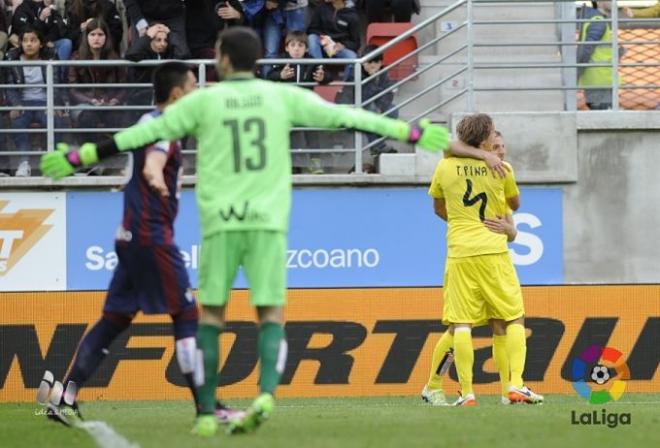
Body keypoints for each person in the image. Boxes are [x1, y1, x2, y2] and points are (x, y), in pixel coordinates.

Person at [40, 26, 450, 436]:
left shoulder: (203, 103)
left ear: (221, 58)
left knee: (190, 316)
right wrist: (409, 132)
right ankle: (245, 398)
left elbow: (142, 136)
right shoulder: (279, 95)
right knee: (249, 312)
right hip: (253, 223)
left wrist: (83, 154)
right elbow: (347, 116)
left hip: (206, 224)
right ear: (257, 59)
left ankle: (122, 400)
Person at [40, 61, 243, 426]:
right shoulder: (165, 126)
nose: (199, 92)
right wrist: (155, 178)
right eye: (194, 85)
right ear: (178, 94)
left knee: (113, 319)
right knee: (186, 315)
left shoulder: (146, 122)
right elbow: (154, 161)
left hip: (130, 236)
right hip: (151, 236)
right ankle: (208, 407)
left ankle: (63, 397)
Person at [426, 114, 543, 406]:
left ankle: (469, 392)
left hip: (460, 251)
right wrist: (506, 227)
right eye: (494, 138)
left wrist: (463, 223)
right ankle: (513, 385)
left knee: (462, 325)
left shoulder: (444, 165)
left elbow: (439, 208)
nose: (499, 146)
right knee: (511, 318)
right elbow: (514, 203)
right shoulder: (502, 169)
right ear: (484, 140)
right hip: (493, 253)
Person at [267, 30, 331, 173]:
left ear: (306, 48)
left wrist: (323, 77)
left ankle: (316, 162)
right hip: (285, 107)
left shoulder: (312, 61)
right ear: (286, 48)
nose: (296, 49)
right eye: (293, 45)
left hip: (305, 107)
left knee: (311, 132)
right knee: (283, 134)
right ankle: (286, 164)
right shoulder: (281, 61)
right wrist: (280, 75)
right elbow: (269, 76)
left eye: (300, 46)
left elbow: (327, 75)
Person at [5, 26, 64, 177]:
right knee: (17, 123)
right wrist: (16, 105)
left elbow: (57, 84)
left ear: (41, 44)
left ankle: (53, 163)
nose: (29, 44)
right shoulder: (12, 59)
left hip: (45, 102)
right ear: (20, 44)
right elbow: (10, 87)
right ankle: (24, 163)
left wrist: (54, 104)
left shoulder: (50, 58)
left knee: (56, 121)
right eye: (25, 41)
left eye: (33, 40)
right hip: (23, 103)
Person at [68, 18, 127, 144]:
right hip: (84, 104)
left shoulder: (115, 58)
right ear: (86, 36)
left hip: (110, 103)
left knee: (119, 117)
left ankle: (114, 156)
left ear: (106, 37)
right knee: (88, 118)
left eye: (100, 34)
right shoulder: (76, 57)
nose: (96, 38)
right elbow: (72, 89)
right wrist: (91, 101)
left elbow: (124, 86)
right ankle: (88, 156)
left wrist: (115, 100)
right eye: (92, 34)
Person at [338, 44, 399, 157]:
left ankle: (377, 143)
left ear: (381, 63)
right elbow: (362, 97)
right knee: (371, 111)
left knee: (393, 110)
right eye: (369, 62)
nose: (373, 66)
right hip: (353, 107)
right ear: (363, 62)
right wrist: (372, 80)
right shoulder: (355, 72)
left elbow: (388, 94)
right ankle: (378, 146)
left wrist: (381, 108)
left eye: (376, 62)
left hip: (373, 107)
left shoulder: (383, 73)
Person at [577, 1, 617, 110]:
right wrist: (574, 75)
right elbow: (585, 50)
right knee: (606, 118)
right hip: (599, 82)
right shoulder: (598, 21)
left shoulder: (599, 20)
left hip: (601, 80)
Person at [307, 0, 360, 80]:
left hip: (339, 48)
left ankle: (345, 88)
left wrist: (343, 45)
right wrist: (323, 37)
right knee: (312, 38)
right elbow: (312, 29)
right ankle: (319, 72)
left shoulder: (353, 16)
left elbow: (356, 43)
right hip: (322, 44)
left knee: (353, 57)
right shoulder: (321, 8)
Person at [124, 0, 190, 59]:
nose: (163, 44)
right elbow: (132, 55)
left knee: (180, 52)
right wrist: (147, 36)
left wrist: (170, 34)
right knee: (137, 55)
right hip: (142, 13)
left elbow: (183, 55)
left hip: (174, 14)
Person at [262, 0, 307, 78]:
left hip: (295, 7)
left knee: (298, 51)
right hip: (272, 10)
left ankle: (298, 87)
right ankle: (266, 87)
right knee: (270, 53)